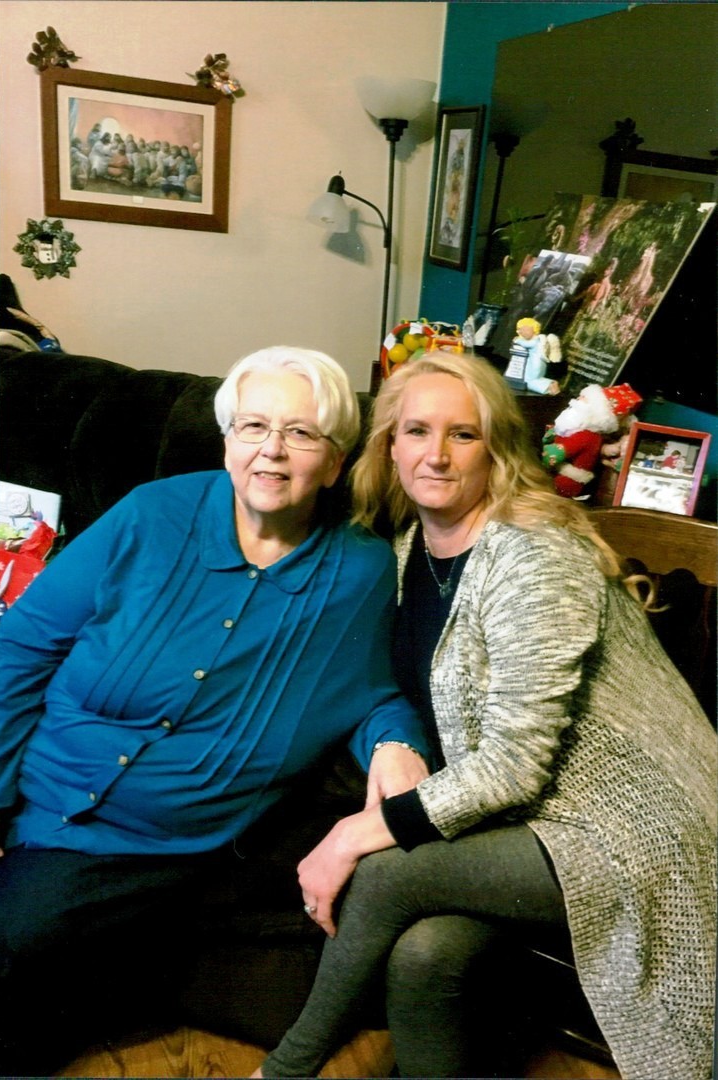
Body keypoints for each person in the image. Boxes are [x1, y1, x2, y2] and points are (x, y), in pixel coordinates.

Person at [256, 351, 716, 1080]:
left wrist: (352, 835)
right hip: (525, 821)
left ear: (495, 449)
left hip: (632, 825)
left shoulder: (533, 553)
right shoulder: (406, 550)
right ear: (389, 446)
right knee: (425, 954)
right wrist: (394, 746)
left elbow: (514, 764)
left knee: (381, 874)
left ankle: (285, 1070)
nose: (436, 455)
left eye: (463, 434)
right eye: (416, 431)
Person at [0, 346, 430, 1074]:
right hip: (39, 790)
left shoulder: (356, 570)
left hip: (146, 841)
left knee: (14, 940)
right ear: (228, 441)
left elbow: (370, 687)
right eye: (254, 426)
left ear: (335, 462)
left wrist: (395, 742)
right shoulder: (151, 513)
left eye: (300, 433)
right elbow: (23, 647)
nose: (271, 449)